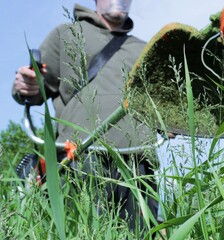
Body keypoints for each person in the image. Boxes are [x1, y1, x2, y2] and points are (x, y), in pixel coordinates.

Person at [12, 0, 159, 235]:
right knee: (84, 232)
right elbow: (36, 87)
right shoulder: (65, 35)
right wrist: (25, 85)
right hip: (81, 157)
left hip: (138, 161)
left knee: (142, 234)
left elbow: (163, 102)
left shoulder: (144, 49)